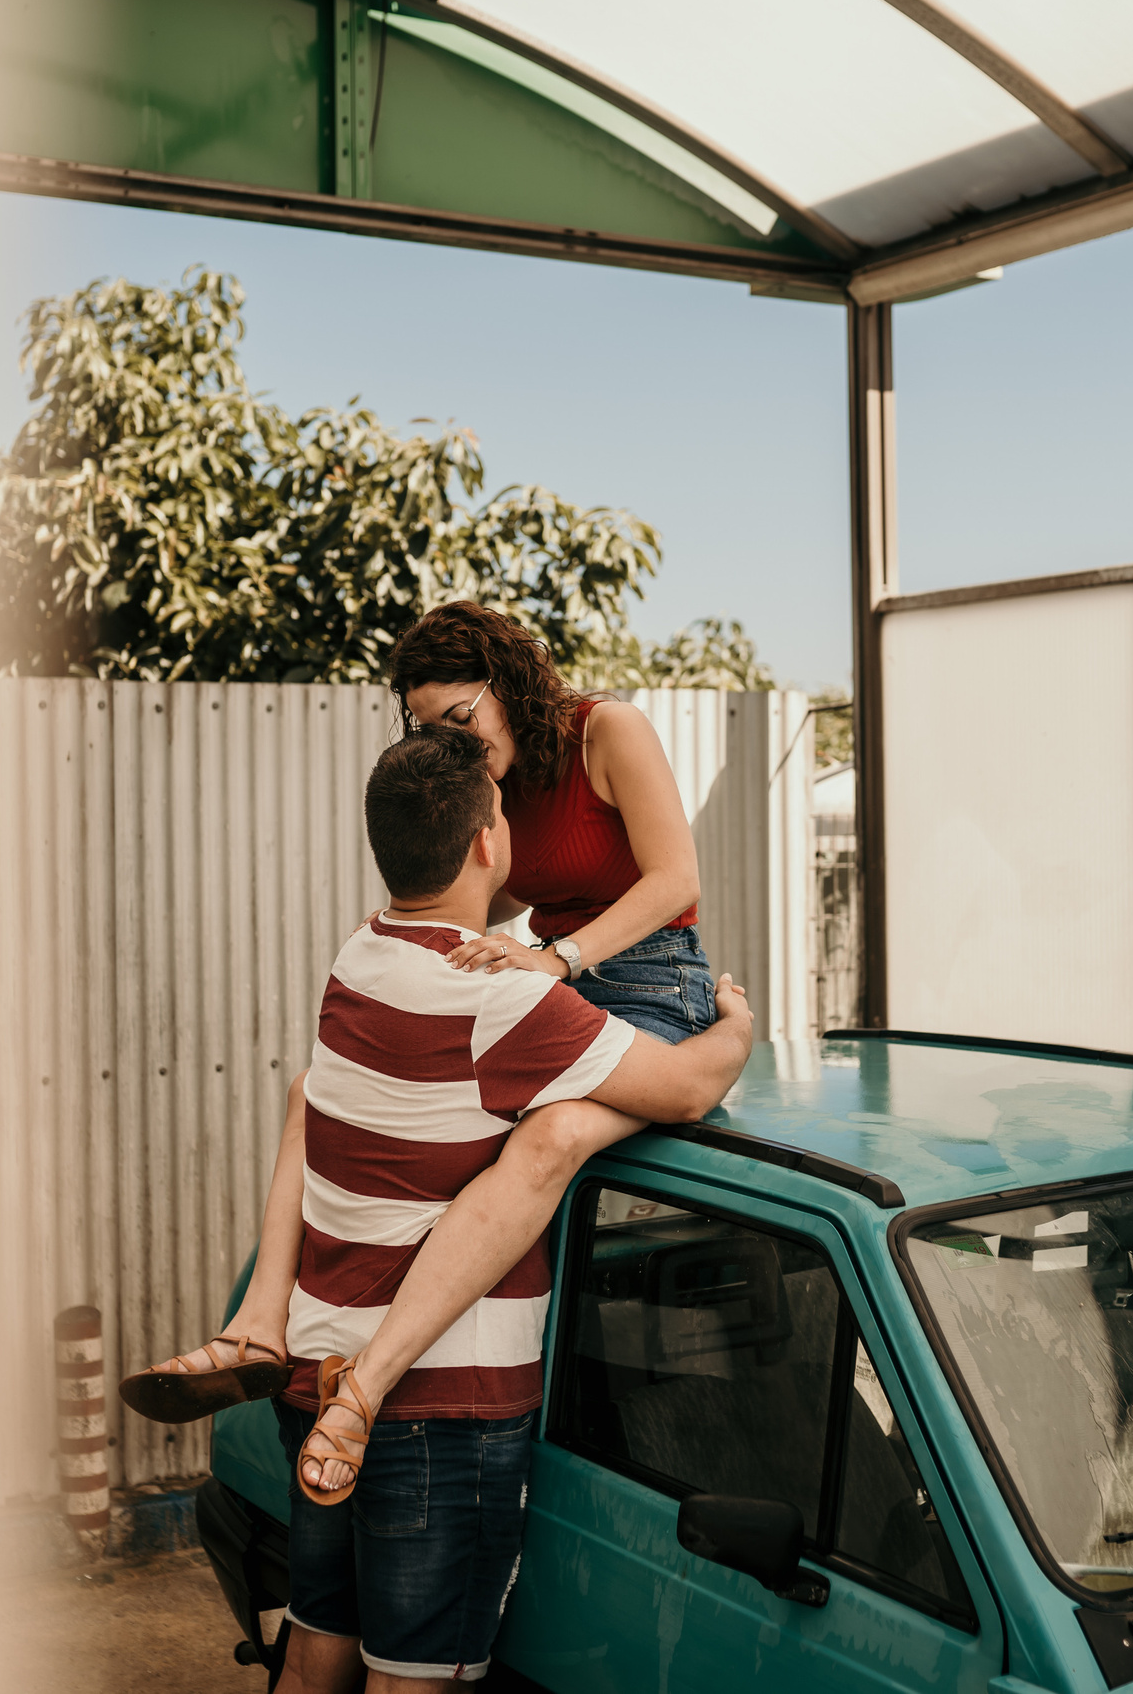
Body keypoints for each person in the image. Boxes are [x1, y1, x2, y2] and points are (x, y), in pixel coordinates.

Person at [128, 602, 737, 1491]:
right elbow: (473, 887)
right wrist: (392, 938)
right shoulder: (490, 780)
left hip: (649, 982)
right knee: (315, 1088)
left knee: (552, 1135)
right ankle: (259, 1326)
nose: (460, 745)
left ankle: (371, 1377)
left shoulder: (608, 730)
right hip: (538, 980)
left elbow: (676, 877)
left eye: (462, 720)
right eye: (431, 728)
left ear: (507, 683)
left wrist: (558, 958)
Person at [237, 727, 757, 1690]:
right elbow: (685, 1091)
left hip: (316, 1374)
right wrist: (735, 1025)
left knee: (317, 1645)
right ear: (487, 843)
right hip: (441, 1409)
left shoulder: (358, 957)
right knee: (411, 1675)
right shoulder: (500, 1003)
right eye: (504, 811)